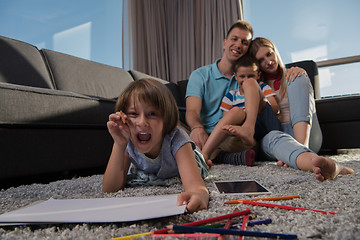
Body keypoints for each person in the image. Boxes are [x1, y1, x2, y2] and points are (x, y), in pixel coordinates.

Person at [244, 37, 354, 181]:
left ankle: (301, 150)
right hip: (278, 139)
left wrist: (297, 146)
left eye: (269, 54)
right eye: (261, 60)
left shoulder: (293, 74)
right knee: (271, 136)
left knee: (298, 76)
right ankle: (326, 165)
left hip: (304, 133)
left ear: (275, 51)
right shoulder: (257, 86)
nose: (268, 61)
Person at [103, 78, 209, 213]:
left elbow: (196, 186)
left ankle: (205, 157)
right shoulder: (127, 139)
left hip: (189, 157)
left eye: (152, 114)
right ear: (123, 118)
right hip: (159, 166)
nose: (142, 122)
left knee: (201, 161)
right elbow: (110, 189)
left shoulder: (177, 138)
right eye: (134, 114)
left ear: (166, 119)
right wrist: (119, 144)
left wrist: (199, 194)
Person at [185, 20, 256, 165]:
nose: (238, 45)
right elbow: (192, 111)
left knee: (250, 140)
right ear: (225, 43)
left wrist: (293, 71)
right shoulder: (200, 75)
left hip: (230, 137)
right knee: (172, 128)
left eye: (244, 42)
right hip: (201, 133)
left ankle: (206, 154)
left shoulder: (247, 79)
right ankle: (220, 156)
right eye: (234, 39)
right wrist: (197, 128)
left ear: (248, 49)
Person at [201, 54, 281, 166]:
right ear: (236, 76)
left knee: (250, 86)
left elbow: (275, 109)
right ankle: (204, 155)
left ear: (258, 75)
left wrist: (252, 105)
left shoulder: (262, 87)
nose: (246, 80)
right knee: (235, 112)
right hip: (248, 139)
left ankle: (248, 127)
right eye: (242, 76)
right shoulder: (230, 96)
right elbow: (226, 121)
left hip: (266, 124)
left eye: (251, 76)